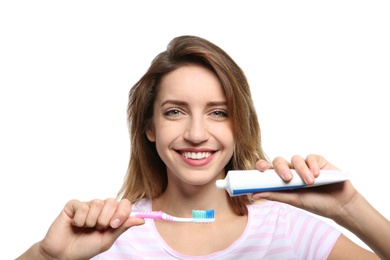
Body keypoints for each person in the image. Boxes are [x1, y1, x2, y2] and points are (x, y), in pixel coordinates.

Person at [17, 35, 390, 260]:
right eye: (175, 111)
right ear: (149, 127)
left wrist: (348, 208)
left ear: (239, 125)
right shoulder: (108, 240)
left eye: (218, 112)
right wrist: (45, 257)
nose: (197, 133)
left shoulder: (288, 229)